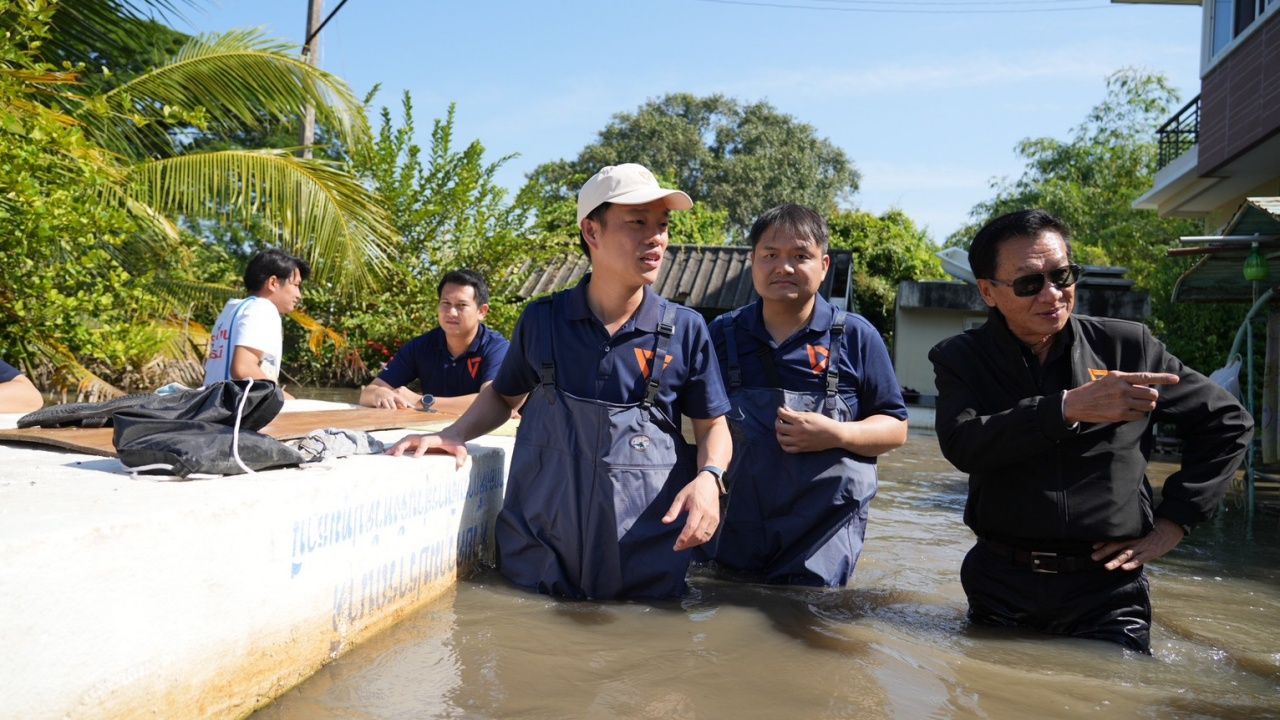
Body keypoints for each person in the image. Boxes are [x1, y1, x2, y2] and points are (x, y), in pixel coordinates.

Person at [390, 163, 732, 600]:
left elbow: (712, 426)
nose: (656, 238)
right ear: (592, 230)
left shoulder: (685, 329)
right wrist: (451, 434)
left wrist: (709, 478)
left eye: (662, 225)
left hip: (644, 557)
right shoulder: (544, 320)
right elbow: (504, 395)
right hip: (540, 555)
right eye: (637, 223)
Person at [928, 209, 1252, 653]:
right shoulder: (960, 358)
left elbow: (1228, 422)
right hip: (1001, 581)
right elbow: (964, 444)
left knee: (1109, 694)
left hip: (1108, 589)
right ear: (988, 291)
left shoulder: (1127, 347)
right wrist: (1065, 408)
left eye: (1062, 275)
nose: (1053, 294)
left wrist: (1177, 520)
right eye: (1029, 283)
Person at [707, 204, 908, 587]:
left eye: (801, 256)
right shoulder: (721, 334)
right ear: (752, 262)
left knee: (810, 622)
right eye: (770, 255)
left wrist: (836, 434)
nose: (784, 267)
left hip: (823, 537)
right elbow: (698, 420)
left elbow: (895, 428)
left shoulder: (856, 336)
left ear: (824, 265)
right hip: (736, 528)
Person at [359, 269, 509, 415]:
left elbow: (492, 403)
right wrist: (380, 394)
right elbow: (366, 394)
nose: (451, 312)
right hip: (432, 429)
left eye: (461, 305)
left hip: (486, 435)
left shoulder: (497, 348)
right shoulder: (420, 346)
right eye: (446, 303)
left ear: (482, 312)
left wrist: (421, 401)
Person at [203, 248, 309, 389]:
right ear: (273, 283)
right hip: (235, 408)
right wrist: (284, 399)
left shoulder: (231, 309)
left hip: (212, 403)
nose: (299, 295)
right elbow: (243, 369)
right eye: (295, 285)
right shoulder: (263, 308)